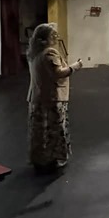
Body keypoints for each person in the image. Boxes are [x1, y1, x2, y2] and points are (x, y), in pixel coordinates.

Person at [26, 23, 82, 173]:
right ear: (44, 39)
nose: (56, 37)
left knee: (40, 131)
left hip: (37, 96)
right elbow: (58, 73)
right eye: (53, 35)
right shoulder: (49, 53)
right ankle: (53, 159)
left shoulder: (33, 53)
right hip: (52, 97)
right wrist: (75, 66)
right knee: (54, 129)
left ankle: (40, 158)